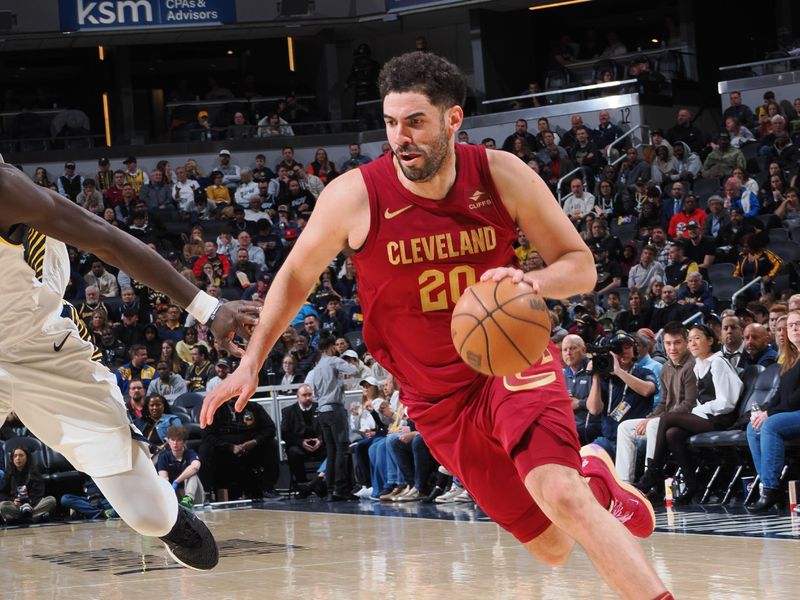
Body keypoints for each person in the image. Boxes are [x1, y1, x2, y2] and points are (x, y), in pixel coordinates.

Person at [200, 51, 669, 599]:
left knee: (560, 496)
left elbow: (580, 265)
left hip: (510, 358)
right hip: (434, 396)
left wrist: (532, 282)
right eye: (391, 123)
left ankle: (590, 501)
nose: (401, 137)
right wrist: (251, 362)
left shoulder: (500, 174)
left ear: (452, 120)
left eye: (416, 121)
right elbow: (295, 277)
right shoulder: (354, 195)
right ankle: (595, 476)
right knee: (551, 546)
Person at [0, 156, 261, 569]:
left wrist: (207, 309)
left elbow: (107, 239)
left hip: (40, 347)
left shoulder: (6, 189)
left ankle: (168, 517)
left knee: (146, 515)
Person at [635, 324, 742, 502]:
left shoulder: (718, 362)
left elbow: (726, 402)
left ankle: (652, 472)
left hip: (722, 418)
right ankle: (692, 484)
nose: (692, 343)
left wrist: (698, 410)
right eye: (690, 339)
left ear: (710, 340)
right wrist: (699, 410)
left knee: (668, 418)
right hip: (706, 415)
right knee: (673, 433)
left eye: (697, 338)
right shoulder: (699, 364)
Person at [615, 322, 697, 484]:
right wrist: (650, 417)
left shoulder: (692, 365)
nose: (672, 348)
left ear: (686, 342)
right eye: (668, 343)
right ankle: (624, 484)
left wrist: (656, 419)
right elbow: (664, 402)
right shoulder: (666, 367)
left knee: (654, 425)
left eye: (677, 343)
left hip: (689, 419)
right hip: (666, 418)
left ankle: (651, 478)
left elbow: (689, 404)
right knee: (625, 427)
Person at [746, 309, 800, 511]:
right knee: (754, 427)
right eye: (791, 325)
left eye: (798, 324)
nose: (794, 329)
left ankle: (770, 488)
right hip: (792, 413)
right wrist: (763, 412)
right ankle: (769, 490)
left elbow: (796, 399)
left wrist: (769, 414)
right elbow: (779, 396)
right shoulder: (790, 359)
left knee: (770, 424)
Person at [304, 334, 361, 500]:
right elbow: (355, 371)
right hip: (335, 409)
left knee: (331, 451)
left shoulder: (316, 368)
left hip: (322, 411)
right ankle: (341, 488)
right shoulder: (334, 361)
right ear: (330, 347)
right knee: (342, 450)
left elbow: (313, 392)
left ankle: (330, 489)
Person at [281, 384, 325, 486]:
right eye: (304, 395)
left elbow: (326, 428)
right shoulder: (288, 412)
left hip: (319, 445)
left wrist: (320, 440)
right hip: (299, 446)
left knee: (331, 450)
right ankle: (302, 483)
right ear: (298, 396)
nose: (308, 398)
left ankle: (324, 481)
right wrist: (301, 442)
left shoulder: (320, 408)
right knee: (293, 452)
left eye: (310, 395)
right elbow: (285, 434)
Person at [0, 446, 57, 524]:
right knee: (2, 506)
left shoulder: (35, 472)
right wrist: (13, 500)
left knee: (51, 500)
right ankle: (32, 518)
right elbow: (2, 493)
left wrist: (29, 503)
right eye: (15, 456)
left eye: (21, 455)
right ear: (12, 459)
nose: (18, 458)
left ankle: (20, 519)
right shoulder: (9, 473)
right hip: (17, 506)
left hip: (33, 505)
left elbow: (39, 493)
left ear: (27, 457)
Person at [157, 425, 204, 507]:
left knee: (192, 474)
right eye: (173, 440)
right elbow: (164, 477)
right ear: (168, 441)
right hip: (174, 494)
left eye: (178, 440)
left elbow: (195, 467)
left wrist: (176, 481)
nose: (175, 443)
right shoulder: (163, 456)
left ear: (184, 442)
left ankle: (188, 500)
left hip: (193, 495)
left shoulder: (190, 453)